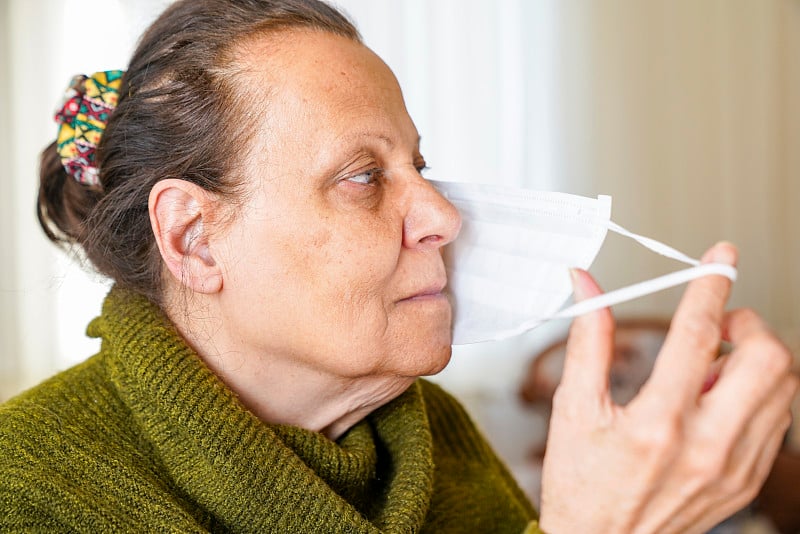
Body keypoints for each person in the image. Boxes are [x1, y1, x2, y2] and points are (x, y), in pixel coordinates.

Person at [0, 0, 796, 532]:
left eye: (419, 165)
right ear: (195, 239)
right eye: (362, 176)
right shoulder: (28, 492)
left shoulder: (436, 437)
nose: (444, 217)